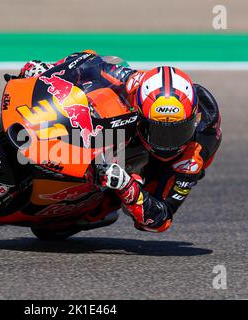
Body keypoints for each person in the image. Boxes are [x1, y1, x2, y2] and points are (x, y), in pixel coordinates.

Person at [15, 51, 222, 233]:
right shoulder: (132, 82)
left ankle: (92, 207)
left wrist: (126, 186)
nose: (166, 143)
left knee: (129, 202)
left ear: (192, 122)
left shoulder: (192, 157)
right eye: (157, 131)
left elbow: (160, 221)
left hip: (158, 170)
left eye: (176, 132)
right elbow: (87, 61)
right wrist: (49, 70)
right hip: (130, 129)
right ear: (141, 113)